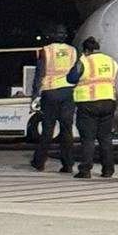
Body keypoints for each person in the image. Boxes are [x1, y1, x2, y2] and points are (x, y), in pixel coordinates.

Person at [67, 36, 118, 179]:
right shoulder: (111, 61)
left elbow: (71, 78)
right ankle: (108, 170)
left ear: (86, 50)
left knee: (88, 138)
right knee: (105, 138)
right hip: (108, 102)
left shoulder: (84, 61)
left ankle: (85, 170)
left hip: (89, 103)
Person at [30, 28, 77, 173]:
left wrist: (34, 96)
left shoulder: (46, 50)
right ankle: (68, 164)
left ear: (51, 36)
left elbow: (40, 73)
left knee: (48, 129)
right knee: (66, 129)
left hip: (50, 92)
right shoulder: (72, 51)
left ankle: (39, 162)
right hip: (68, 92)